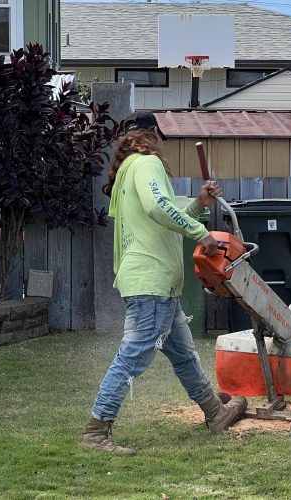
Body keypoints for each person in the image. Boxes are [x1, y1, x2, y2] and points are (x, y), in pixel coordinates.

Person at [80, 111, 247, 455]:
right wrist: (203, 233)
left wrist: (199, 204)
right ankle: (96, 432)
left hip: (157, 285)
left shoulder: (129, 168)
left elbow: (160, 213)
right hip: (151, 281)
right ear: (154, 133)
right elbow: (159, 208)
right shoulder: (147, 163)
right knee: (132, 358)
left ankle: (215, 413)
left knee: (184, 355)